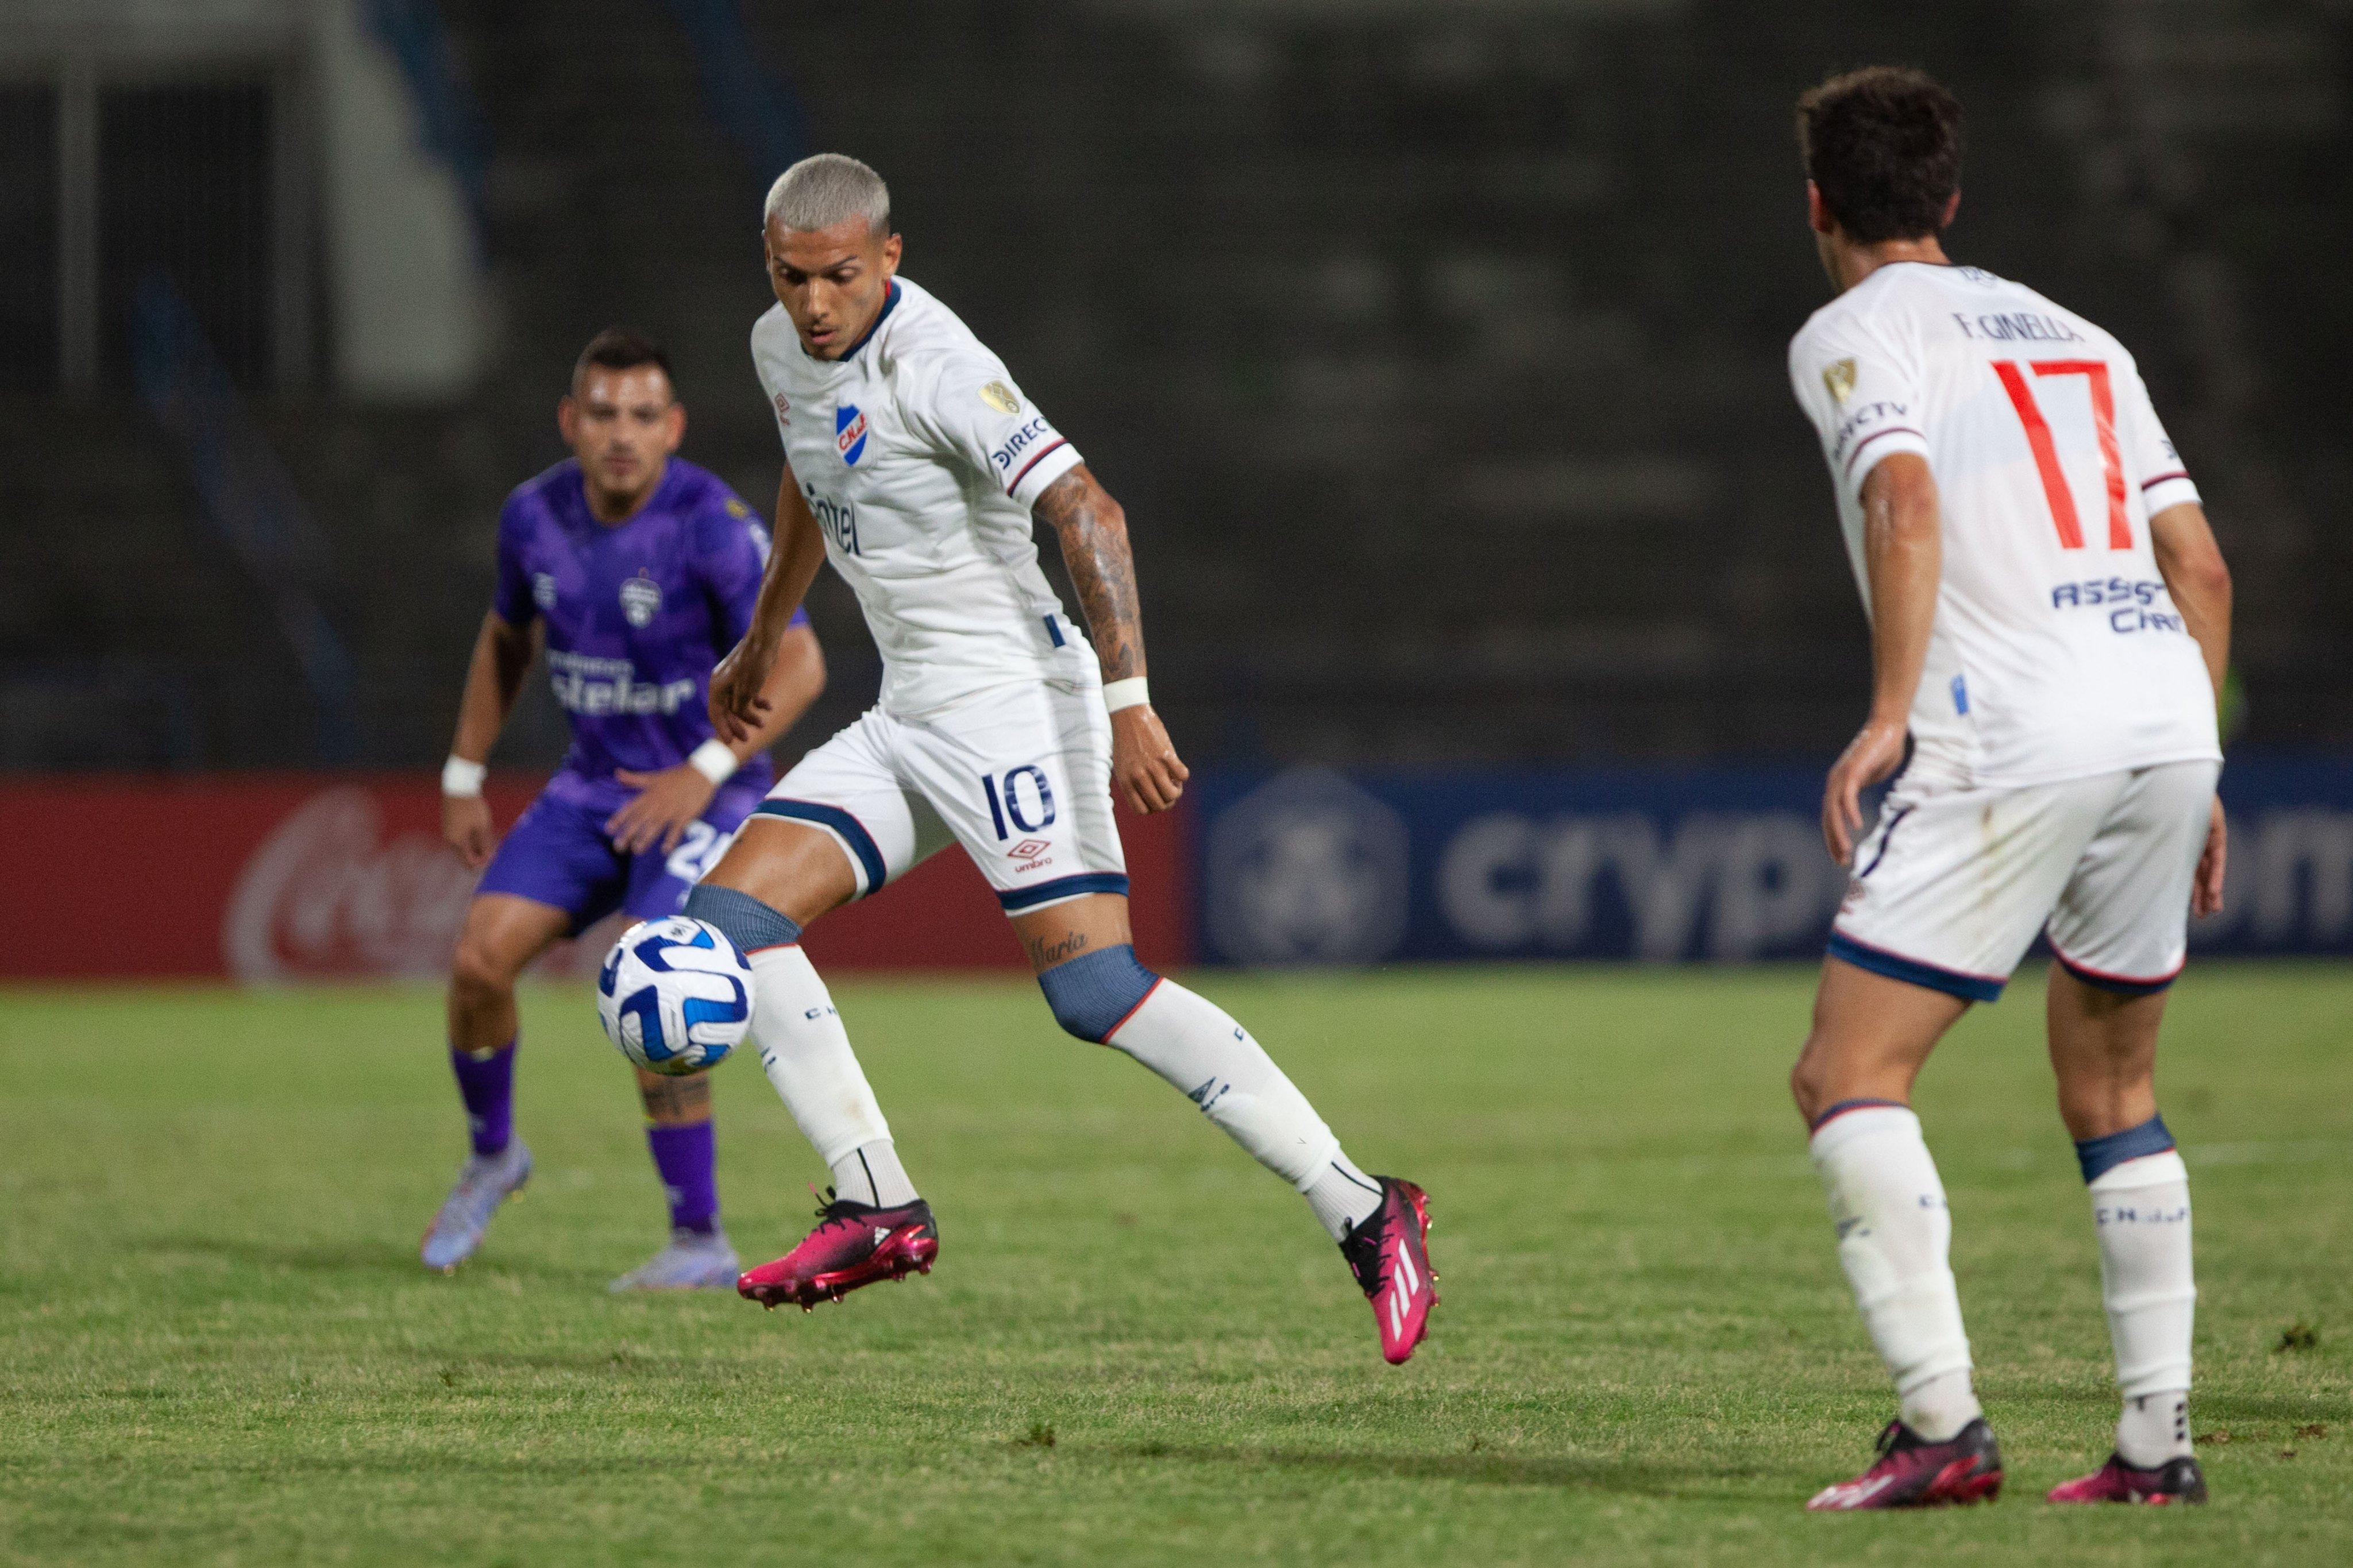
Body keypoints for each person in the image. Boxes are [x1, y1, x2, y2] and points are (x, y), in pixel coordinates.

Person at [673, 153, 1437, 1362]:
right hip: (911, 711)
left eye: (837, 278)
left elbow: (1088, 509)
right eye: (789, 278)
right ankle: (876, 1202)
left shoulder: (943, 366)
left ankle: (1362, 1206)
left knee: (1091, 995)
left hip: (1019, 709)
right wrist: (767, 627)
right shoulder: (778, 347)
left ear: (890, 259)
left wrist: (1128, 701)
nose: (813, 303)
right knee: (726, 926)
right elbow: (813, 472)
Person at [1784, 69, 2231, 1508]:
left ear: (1817, 207)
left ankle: (1939, 1427)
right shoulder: (2082, 335)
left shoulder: (1852, 330)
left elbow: (1901, 500)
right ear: (1951, 201)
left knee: (1847, 1076)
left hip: (2009, 721)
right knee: (2113, 1087)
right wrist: (2197, 755)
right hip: (2161, 708)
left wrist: (1885, 715)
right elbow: (2201, 569)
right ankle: (2156, 1448)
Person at [422, 329, 826, 1288]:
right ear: (571, 419)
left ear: (673, 427)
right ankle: (493, 1156)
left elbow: (803, 663)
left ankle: (699, 1237)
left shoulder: (714, 524)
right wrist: (462, 770)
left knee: (654, 972)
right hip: (594, 788)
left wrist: (700, 768)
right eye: (602, 412)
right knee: (478, 962)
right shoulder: (533, 517)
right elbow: (505, 639)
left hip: (707, 793)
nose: (621, 433)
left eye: (643, 416)